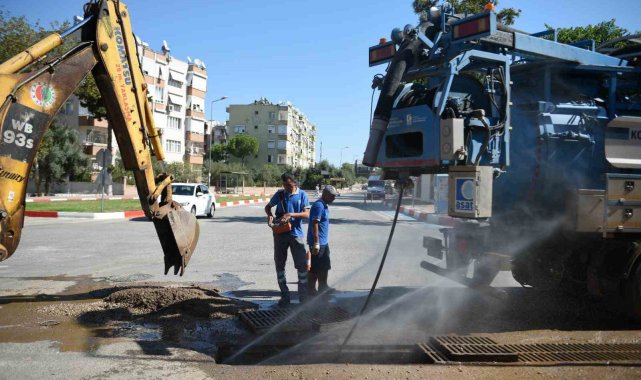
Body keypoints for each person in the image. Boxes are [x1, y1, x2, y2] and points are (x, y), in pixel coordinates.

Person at [264, 173, 311, 306]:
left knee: (302, 266)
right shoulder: (279, 195)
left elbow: (307, 214)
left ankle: (303, 297)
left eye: (289, 185)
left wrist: (291, 214)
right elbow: (267, 207)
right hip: (280, 234)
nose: (286, 188)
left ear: (295, 183)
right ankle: (285, 296)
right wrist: (270, 216)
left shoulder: (302, 195)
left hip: (297, 235)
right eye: (284, 185)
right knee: (279, 265)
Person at [307, 185, 338, 297]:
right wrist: (316, 242)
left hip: (323, 243)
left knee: (324, 267)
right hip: (318, 243)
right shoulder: (319, 206)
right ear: (325, 194)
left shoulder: (324, 205)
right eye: (332, 196)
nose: (334, 198)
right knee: (315, 268)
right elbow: (315, 224)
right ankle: (311, 290)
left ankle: (323, 287)